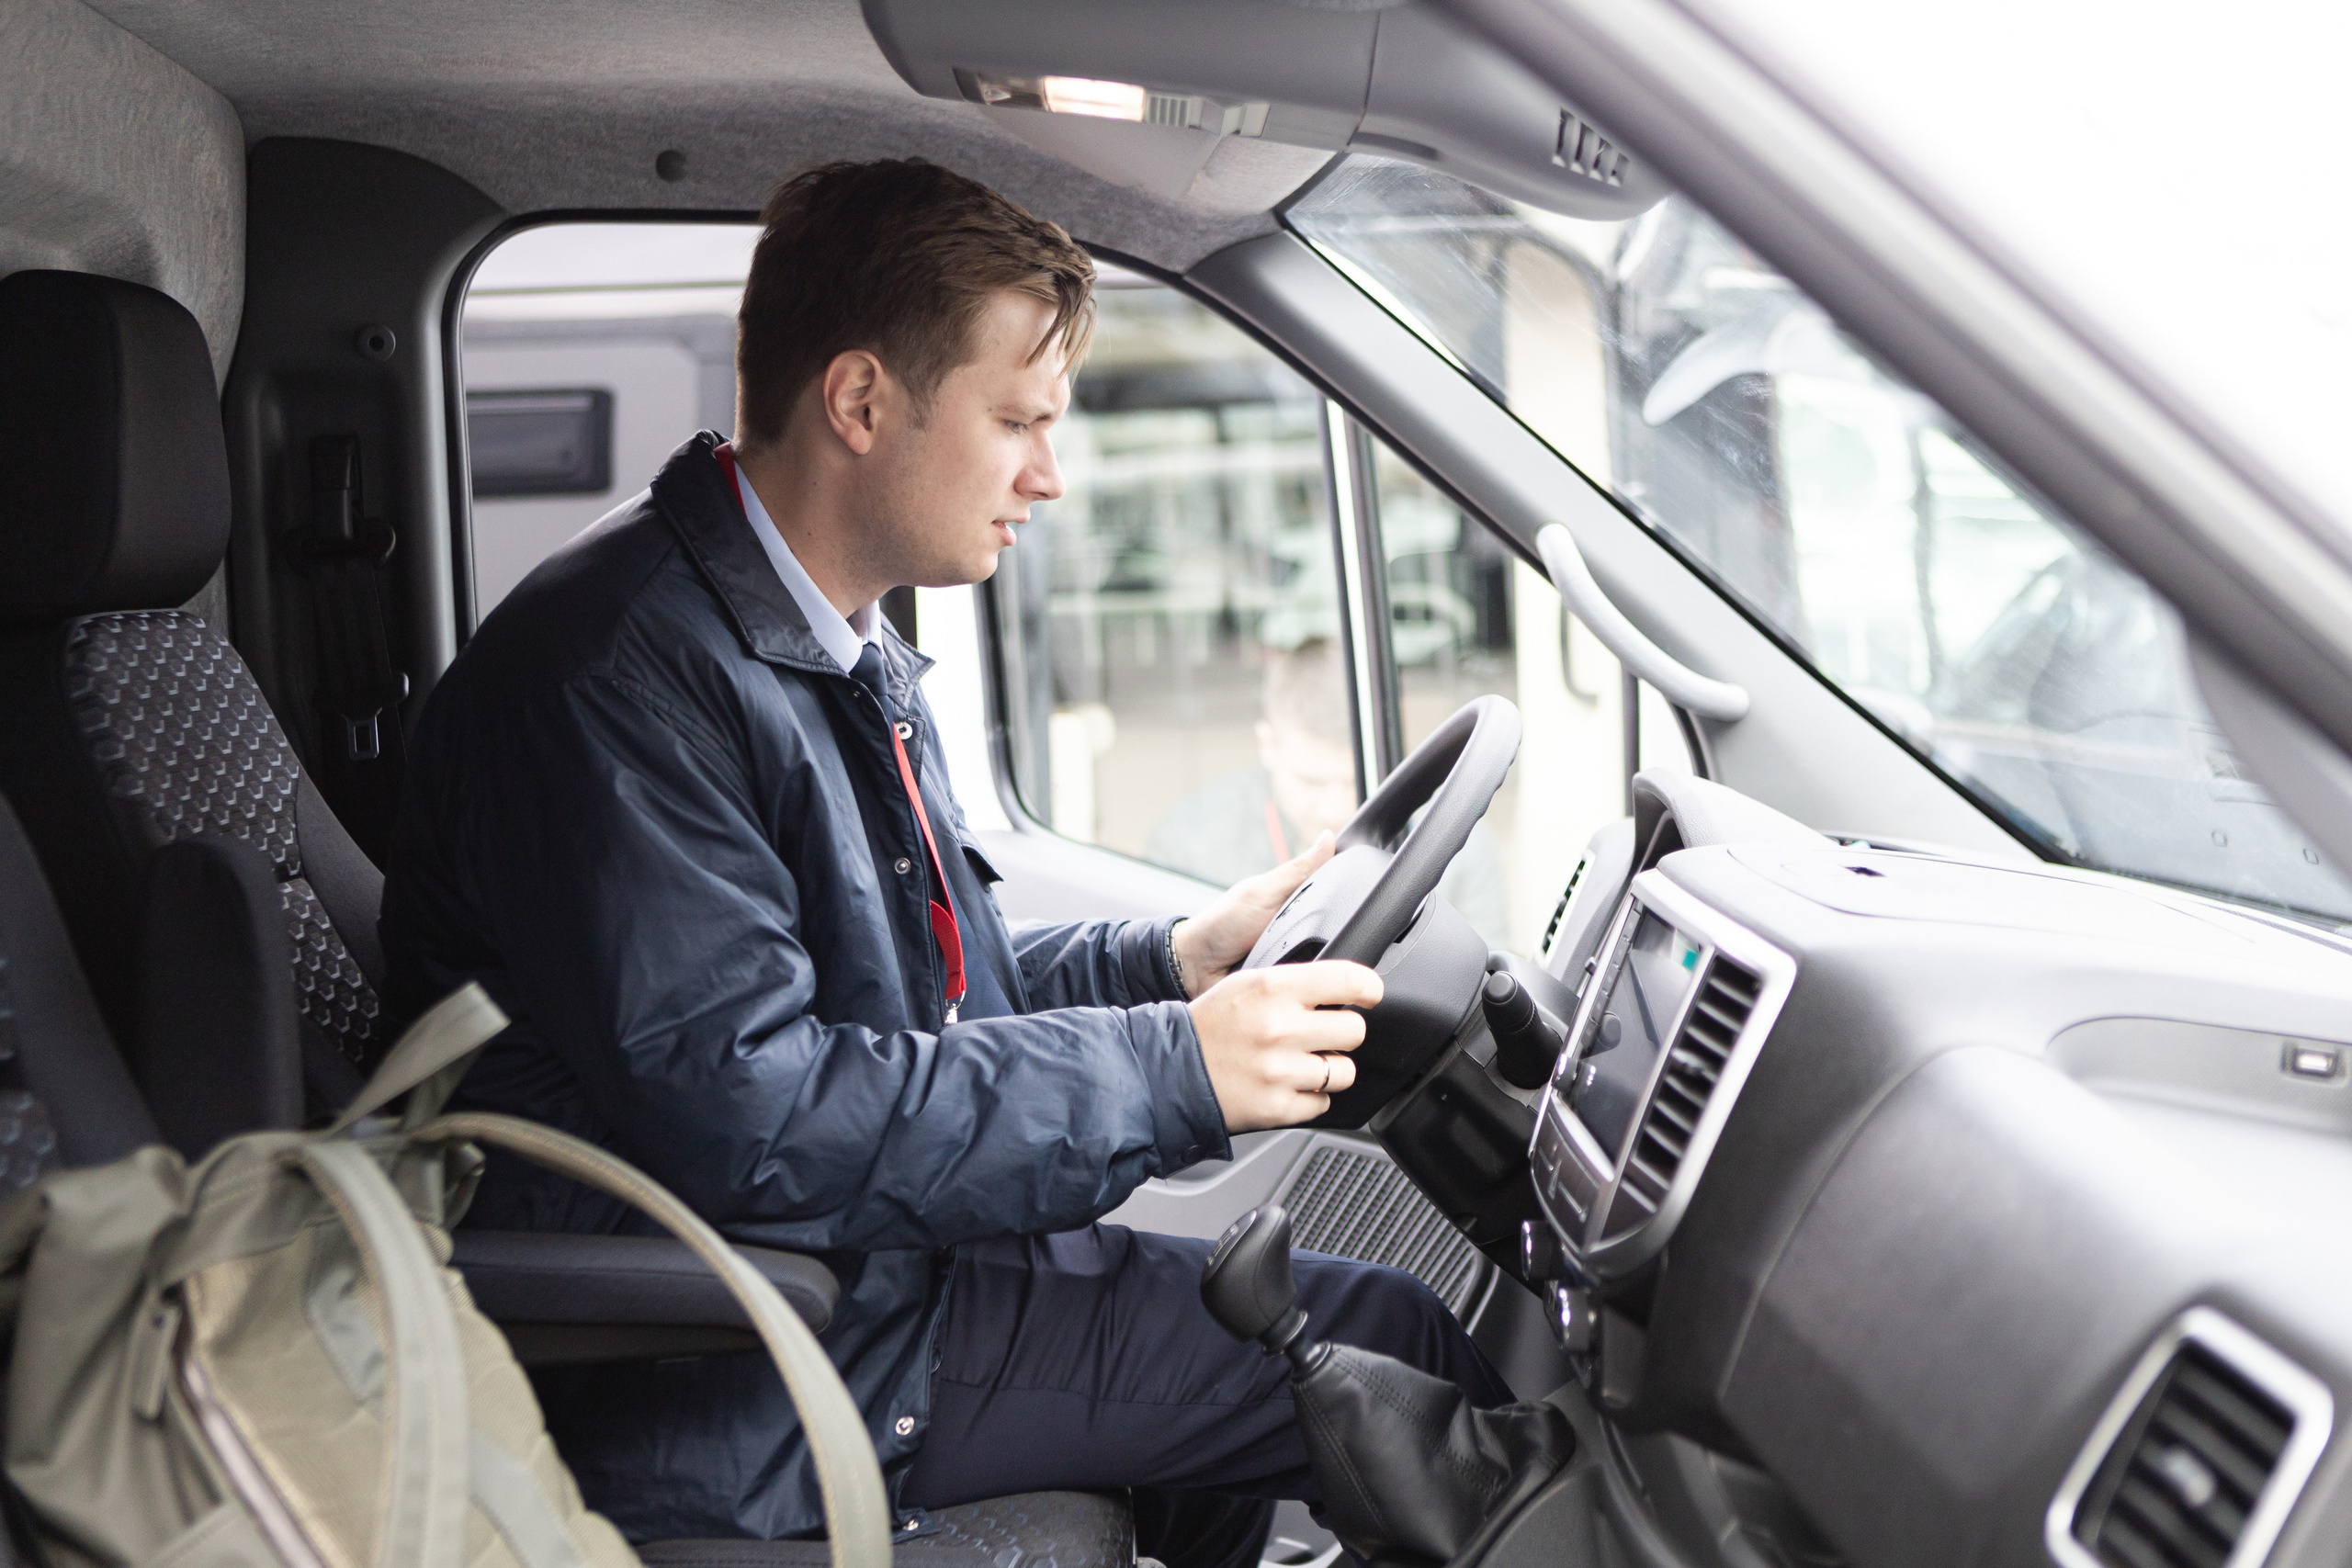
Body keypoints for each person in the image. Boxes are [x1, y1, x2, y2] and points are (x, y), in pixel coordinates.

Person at [381, 159, 1510, 1568]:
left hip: (864, 1271)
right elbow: (755, 1113)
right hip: (761, 1351)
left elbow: (904, 985)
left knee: (1306, 1332)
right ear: (860, 404)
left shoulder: (816, 633)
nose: (1050, 473)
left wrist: (1168, 962)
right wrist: (1174, 1064)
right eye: (1018, 421)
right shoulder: (622, 682)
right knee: (1391, 1348)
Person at [1145, 639, 1512, 945]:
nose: (1335, 809)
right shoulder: (1189, 845)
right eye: (1312, 782)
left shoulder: (1456, 842)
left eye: (1355, 781)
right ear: (1268, 745)